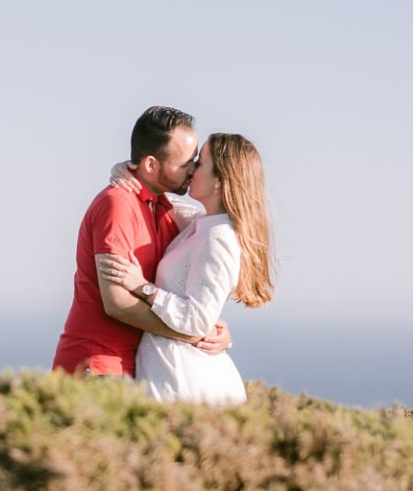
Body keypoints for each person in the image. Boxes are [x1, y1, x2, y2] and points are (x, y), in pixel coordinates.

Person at [52, 106, 232, 378]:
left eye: (196, 161)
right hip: (96, 366)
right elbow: (117, 302)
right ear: (150, 165)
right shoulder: (118, 204)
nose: (193, 170)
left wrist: (215, 329)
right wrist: (193, 335)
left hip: (134, 369)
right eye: (185, 163)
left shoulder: (166, 210)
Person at [97, 133, 274, 403]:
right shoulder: (202, 224)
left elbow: (198, 320)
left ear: (219, 181)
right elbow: (158, 197)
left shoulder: (218, 238)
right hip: (172, 371)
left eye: (199, 163)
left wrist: (143, 288)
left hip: (184, 381)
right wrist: (127, 171)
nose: (190, 170)